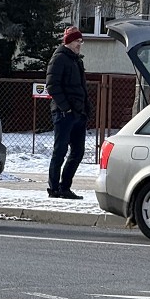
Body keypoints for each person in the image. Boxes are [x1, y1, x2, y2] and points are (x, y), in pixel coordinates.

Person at [45, 26, 89, 200]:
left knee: (78, 151)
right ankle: (54, 188)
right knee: (60, 151)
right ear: (69, 42)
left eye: (80, 41)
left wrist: (86, 109)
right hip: (64, 114)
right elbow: (52, 86)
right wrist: (66, 108)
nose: (80, 44)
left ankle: (65, 187)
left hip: (78, 113)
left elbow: (81, 88)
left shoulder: (76, 60)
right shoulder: (59, 59)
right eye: (77, 41)